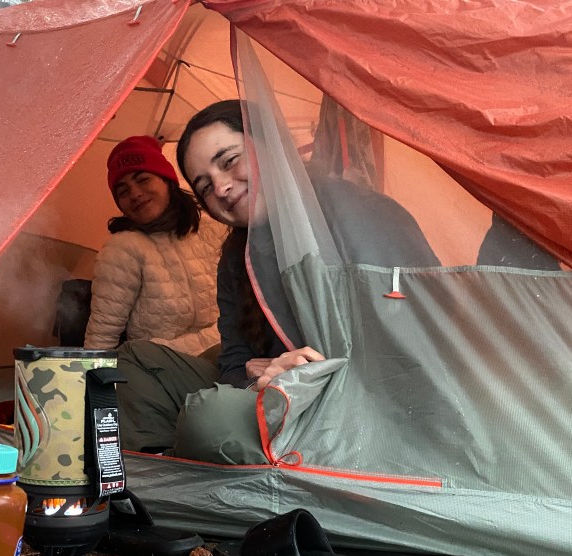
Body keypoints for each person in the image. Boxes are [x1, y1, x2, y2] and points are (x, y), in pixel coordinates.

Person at [114, 100, 440, 459]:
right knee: (134, 358)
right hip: (271, 394)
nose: (221, 188)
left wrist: (293, 374)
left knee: (210, 416)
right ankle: (163, 479)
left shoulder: (358, 215)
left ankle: (208, 467)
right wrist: (260, 379)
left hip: (357, 408)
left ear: (270, 144)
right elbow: (235, 362)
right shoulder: (237, 259)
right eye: (205, 186)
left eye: (230, 161)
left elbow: (417, 343)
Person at [83, 135, 221, 358]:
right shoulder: (123, 247)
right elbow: (102, 332)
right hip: (163, 367)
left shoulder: (209, 227)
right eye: (123, 191)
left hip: (226, 352)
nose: (135, 194)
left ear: (167, 181)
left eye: (143, 179)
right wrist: (93, 383)